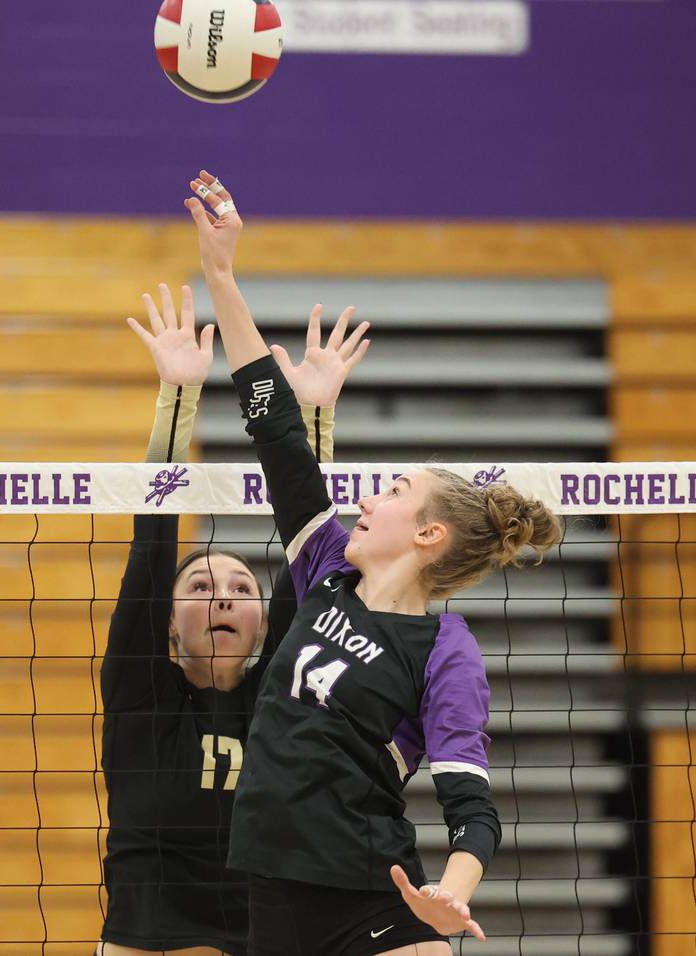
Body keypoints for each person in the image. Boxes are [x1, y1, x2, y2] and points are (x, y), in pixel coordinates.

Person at [184, 170, 563, 956]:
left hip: (374, 899)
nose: (367, 498)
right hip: (271, 892)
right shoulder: (326, 567)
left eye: (392, 491)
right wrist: (221, 275)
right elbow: (275, 430)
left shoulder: (443, 649)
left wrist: (452, 894)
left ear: (428, 536)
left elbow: (471, 803)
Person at [97, 282, 368, 955]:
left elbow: (311, 550)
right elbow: (151, 549)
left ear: (264, 623)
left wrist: (315, 416)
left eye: (241, 587)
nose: (222, 597)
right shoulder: (140, 693)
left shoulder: (278, 691)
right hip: (149, 940)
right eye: (200, 586)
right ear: (167, 624)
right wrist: (177, 394)